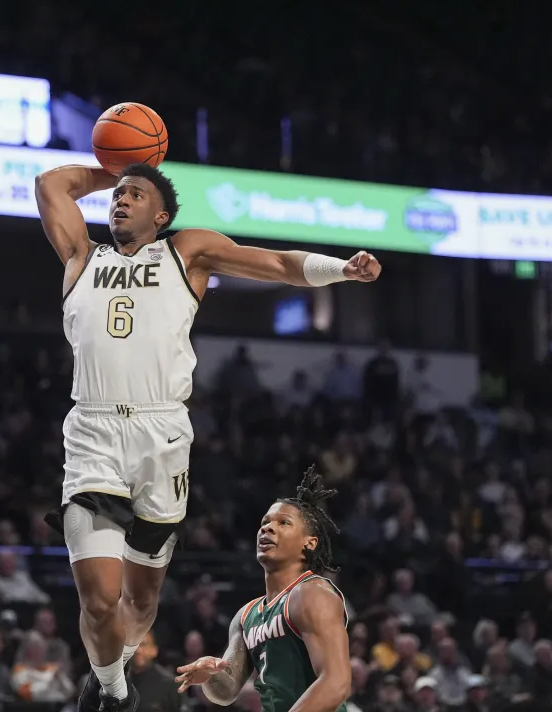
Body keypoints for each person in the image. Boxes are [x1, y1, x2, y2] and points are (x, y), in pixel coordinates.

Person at [36, 159, 380, 712]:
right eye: (116, 195)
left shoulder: (184, 251)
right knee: (100, 599)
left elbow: (272, 262)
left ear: (162, 214)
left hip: (162, 431)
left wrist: (340, 269)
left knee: (141, 599)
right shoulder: (82, 255)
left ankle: (116, 666)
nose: (120, 200)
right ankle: (114, 692)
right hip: (93, 431)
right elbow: (52, 183)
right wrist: (119, 166)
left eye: (136, 194)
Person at [174, 466, 352, 711]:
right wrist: (211, 675)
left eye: (284, 523)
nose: (267, 528)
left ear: (309, 543)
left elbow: (336, 682)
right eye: (265, 522)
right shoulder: (246, 615)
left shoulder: (312, 594)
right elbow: (225, 693)